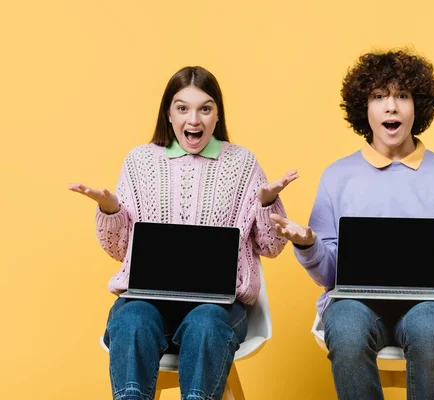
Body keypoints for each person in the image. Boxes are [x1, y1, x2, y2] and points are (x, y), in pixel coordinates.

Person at [270, 49, 434, 400]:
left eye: (402, 96)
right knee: (344, 327)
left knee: (428, 328)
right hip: (356, 302)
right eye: (379, 97)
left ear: (417, 106)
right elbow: (328, 277)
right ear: (365, 109)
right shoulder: (337, 176)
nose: (391, 107)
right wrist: (308, 246)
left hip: (432, 302)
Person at [69, 66, 296, 400]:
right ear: (169, 114)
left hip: (217, 308)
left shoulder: (242, 163)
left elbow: (271, 246)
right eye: (183, 108)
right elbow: (119, 250)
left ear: (217, 115)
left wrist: (267, 203)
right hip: (146, 302)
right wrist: (111, 211)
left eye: (205, 108)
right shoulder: (140, 161)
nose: (194, 119)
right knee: (132, 318)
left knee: (205, 323)